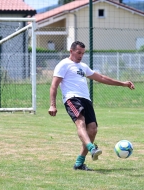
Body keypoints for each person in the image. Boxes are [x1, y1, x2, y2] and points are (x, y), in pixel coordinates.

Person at [48, 41, 135, 171]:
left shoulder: (83, 66)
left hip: (86, 100)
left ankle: (79, 163)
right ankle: (91, 148)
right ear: (71, 51)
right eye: (78, 53)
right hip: (72, 98)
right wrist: (52, 105)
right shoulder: (63, 64)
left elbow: (101, 78)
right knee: (80, 123)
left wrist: (122, 83)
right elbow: (54, 85)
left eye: (83, 53)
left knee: (93, 129)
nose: (81, 55)